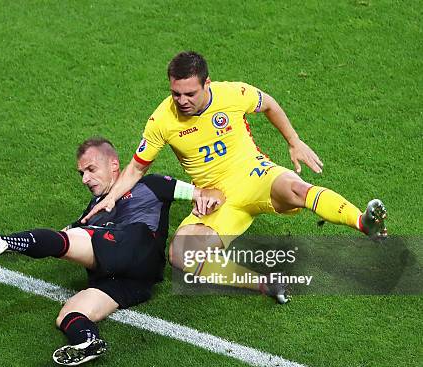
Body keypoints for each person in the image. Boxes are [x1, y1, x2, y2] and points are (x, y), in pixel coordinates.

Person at [82, 51, 387, 299]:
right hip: (217, 199)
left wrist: (294, 142)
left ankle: (363, 222)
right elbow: (137, 167)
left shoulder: (232, 93)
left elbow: (269, 104)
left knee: (297, 189)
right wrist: (109, 199)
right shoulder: (162, 119)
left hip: (255, 175)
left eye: (189, 93)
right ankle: (265, 284)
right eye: (175, 93)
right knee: (180, 255)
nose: (182, 100)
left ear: (207, 84)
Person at [0, 137, 224, 366]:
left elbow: (204, 192)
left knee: (73, 239)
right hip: (131, 283)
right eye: (82, 173)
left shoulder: (150, 184)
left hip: (137, 247)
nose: (85, 178)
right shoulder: (90, 213)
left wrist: (205, 201)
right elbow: (53, 241)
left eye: (91, 169)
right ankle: (88, 342)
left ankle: (5, 243)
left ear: (114, 165)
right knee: (70, 312)